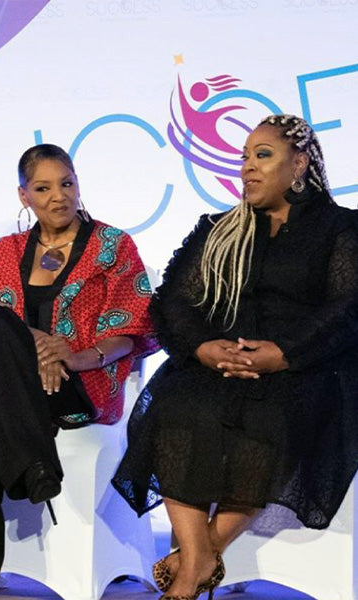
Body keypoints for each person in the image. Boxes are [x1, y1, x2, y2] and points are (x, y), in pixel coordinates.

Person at [112, 114, 358, 600]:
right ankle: (199, 557)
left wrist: (284, 354)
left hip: (306, 366)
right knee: (177, 404)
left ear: (300, 163)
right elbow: (174, 301)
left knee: (270, 416)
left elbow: (348, 306)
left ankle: (191, 566)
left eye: (262, 156)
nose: (247, 168)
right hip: (222, 360)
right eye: (244, 157)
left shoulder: (340, 229)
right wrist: (203, 347)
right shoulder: (220, 229)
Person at [0, 143, 157, 599]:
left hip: (78, 384)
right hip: (14, 385)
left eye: (67, 183)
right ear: (24, 196)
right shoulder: (5, 250)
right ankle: (34, 461)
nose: (59, 196)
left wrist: (76, 357)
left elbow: (135, 325)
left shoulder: (112, 246)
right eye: (43, 187)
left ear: (78, 184)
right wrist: (36, 349)